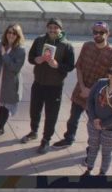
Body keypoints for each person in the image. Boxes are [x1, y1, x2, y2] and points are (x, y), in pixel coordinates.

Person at [54, 21, 112, 150]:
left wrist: (90, 91)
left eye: (101, 32)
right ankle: (68, 138)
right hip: (80, 90)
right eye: (95, 32)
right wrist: (82, 86)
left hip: (98, 97)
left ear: (108, 34)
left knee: (95, 124)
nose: (98, 35)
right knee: (73, 118)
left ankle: (92, 148)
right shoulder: (87, 46)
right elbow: (79, 67)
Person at [21, 18, 75, 154]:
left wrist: (58, 66)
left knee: (51, 114)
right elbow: (31, 57)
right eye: (50, 27)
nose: (52, 30)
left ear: (60, 30)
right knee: (34, 110)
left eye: (55, 28)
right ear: (47, 28)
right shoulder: (39, 40)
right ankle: (33, 131)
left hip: (55, 86)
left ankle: (46, 139)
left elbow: (70, 66)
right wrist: (36, 60)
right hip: (38, 82)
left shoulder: (67, 46)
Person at [82, 61, 112, 176]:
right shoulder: (100, 83)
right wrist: (93, 118)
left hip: (111, 128)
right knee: (92, 147)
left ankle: (102, 173)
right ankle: (88, 170)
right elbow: (90, 101)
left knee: (106, 152)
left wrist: (103, 124)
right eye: (110, 72)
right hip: (93, 124)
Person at [0, 24, 26, 137]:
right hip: (0, 80)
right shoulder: (3, 45)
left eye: (14, 33)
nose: (11, 35)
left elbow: (15, 68)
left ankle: (0, 128)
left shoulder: (20, 50)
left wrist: (5, 55)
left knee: (5, 106)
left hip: (10, 82)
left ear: (18, 36)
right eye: (9, 32)